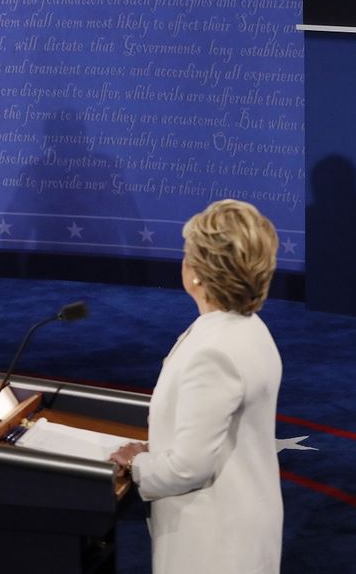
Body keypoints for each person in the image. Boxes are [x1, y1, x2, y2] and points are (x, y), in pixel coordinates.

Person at [109, 199, 282, 573]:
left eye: (188, 254)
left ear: (199, 274)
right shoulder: (252, 329)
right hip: (244, 524)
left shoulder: (213, 352)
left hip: (214, 544)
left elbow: (188, 468)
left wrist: (136, 463)